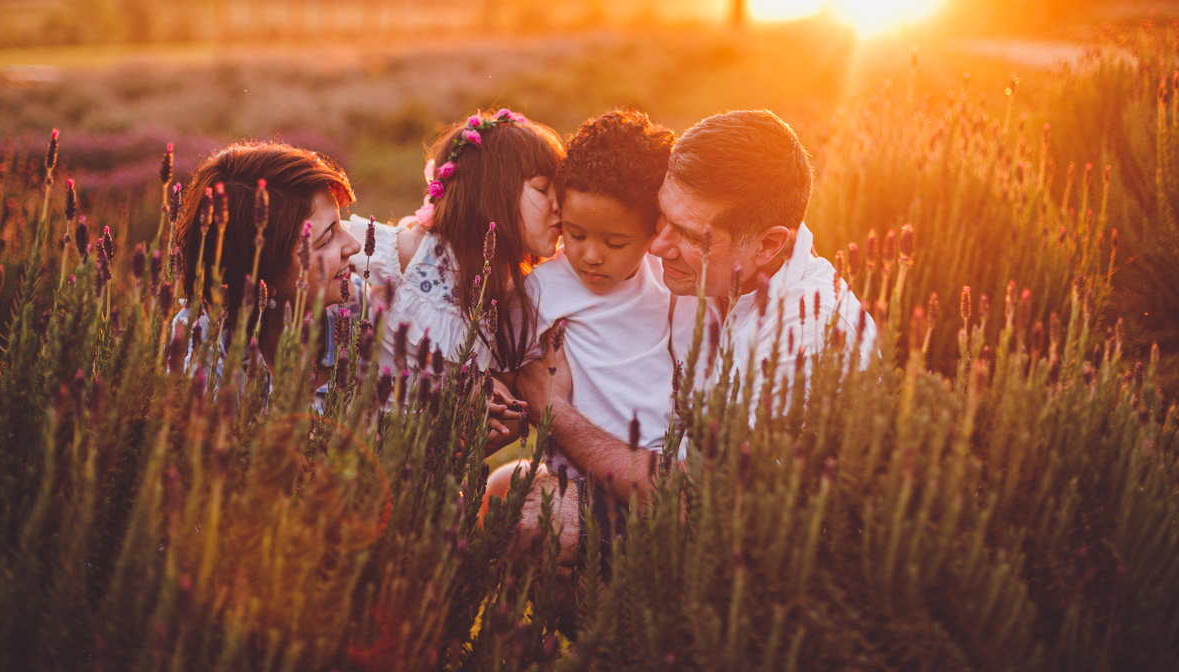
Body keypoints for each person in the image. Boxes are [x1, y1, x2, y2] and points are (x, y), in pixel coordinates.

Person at [514, 109, 878, 567]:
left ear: (766, 245)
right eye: (661, 216)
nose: (658, 245)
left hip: (757, 567)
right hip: (676, 491)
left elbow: (698, 506)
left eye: (685, 233)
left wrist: (553, 412)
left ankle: (632, 639)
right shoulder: (712, 275)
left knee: (535, 521)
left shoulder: (803, 335)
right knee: (508, 485)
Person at [484, 108, 675, 504]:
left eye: (615, 243)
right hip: (578, 476)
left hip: (660, 463)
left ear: (652, 233)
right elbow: (501, 373)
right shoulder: (542, 289)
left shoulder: (666, 276)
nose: (590, 255)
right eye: (575, 234)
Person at [347, 108, 564, 449]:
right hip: (357, 440)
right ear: (493, 192)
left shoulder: (518, 291)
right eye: (542, 189)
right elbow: (321, 244)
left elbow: (500, 420)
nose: (558, 206)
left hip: (426, 468)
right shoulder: (416, 253)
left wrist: (482, 402)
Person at [173, 141, 362, 409]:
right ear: (264, 276)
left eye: (341, 222)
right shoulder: (205, 370)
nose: (355, 245)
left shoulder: (369, 311)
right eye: (327, 239)